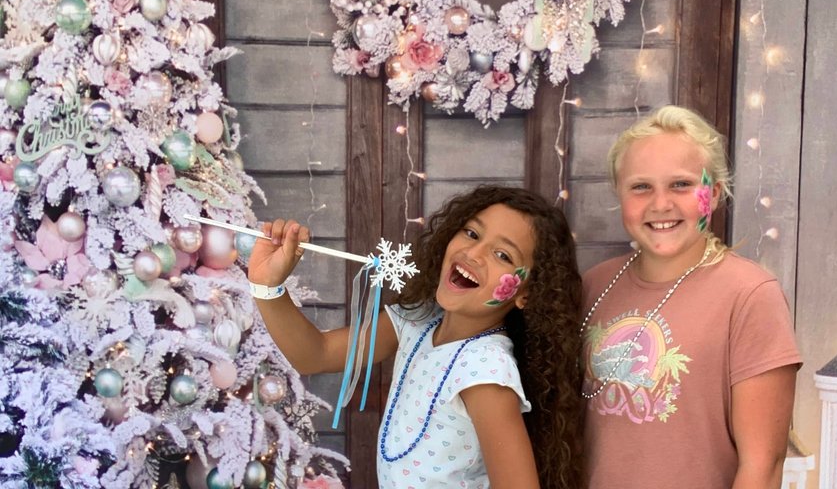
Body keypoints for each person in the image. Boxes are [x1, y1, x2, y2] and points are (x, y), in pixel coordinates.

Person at [248, 185, 584, 489]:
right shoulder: (417, 321)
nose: (474, 253)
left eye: (503, 255)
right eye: (471, 233)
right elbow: (315, 354)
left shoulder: (486, 374)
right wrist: (267, 285)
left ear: (526, 294)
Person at [581, 105, 802, 488]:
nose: (660, 204)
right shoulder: (594, 285)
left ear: (713, 193)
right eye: (640, 186)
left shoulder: (749, 295)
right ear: (620, 193)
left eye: (681, 185)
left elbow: (763, 464)